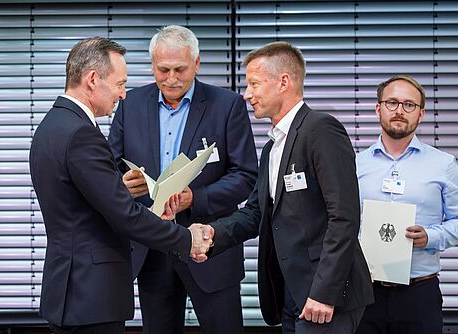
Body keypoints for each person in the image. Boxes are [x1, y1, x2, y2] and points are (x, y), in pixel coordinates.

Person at [29, 37, 212, 334]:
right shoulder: (81, 134)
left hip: (69, 289)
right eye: (119, 84)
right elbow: (124, 216)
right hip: (91, 294)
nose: (124, 95)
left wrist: (127, 197)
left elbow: (81, 205)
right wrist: (186, 239)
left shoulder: (51, 126)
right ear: (91, 79)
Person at [203, 41, 374, 334]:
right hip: (291, 293)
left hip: (324, 296)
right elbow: (256, 214)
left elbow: (344, 218)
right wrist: (210, 234)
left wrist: (324, 292)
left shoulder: (320, 129)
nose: (247, 94)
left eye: (254, 84)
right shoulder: (272, 147)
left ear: (284, 82)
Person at [108, 25, 258, 334]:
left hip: (210, 246)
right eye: (163, 70)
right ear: (152, 65)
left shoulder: (227, 106)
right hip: (152, 247)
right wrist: (124, 183)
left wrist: (195, 197)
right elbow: (111, 167)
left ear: (197, 64)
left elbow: (245, 175)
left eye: (180, 69)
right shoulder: (129, 105)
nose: (171, 78)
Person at [355, 75, 458, 334]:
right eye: (392, 102)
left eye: (409, 105)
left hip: (419, 294)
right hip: (365, 292)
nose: (400, 111)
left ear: (421, 114)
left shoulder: (444, 164)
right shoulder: (354, 165)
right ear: (378, 108)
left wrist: (431, 236)